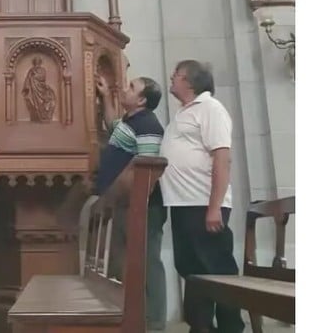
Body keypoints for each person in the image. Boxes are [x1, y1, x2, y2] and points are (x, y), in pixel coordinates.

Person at [159, 60, 244, 333]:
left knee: (217, 269)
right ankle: (201, 327)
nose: (172, 77)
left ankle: (231, 327)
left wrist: (214, 207)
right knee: (191, 269)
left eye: (178, 74)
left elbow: (222, 157)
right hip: (182, 203)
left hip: (202, 203)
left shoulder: (210, 108)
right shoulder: (184, 112)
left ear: (192, 83)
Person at [94, 75, 168, 331]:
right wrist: (105, 97)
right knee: (121, 262)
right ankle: (132, 319)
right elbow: (111, 124)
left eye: (131, 88)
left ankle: (155, 324)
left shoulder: (148, 125)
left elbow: (147, 173)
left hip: (142, 208)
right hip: (122, 204)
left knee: (147, 265)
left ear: (142, 100)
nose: (124, 89)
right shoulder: (131, 121)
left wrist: (136, 210)